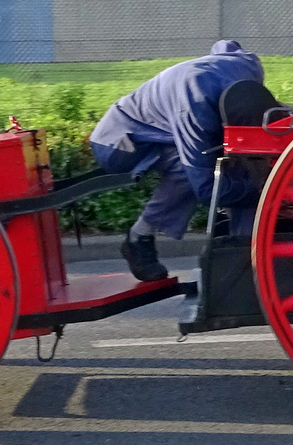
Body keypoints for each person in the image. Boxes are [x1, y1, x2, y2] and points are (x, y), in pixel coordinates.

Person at [89, 40, 266, 282]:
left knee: (229, 159)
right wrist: (262, 189)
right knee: (190, 168)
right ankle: (138, 237)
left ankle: (238, 242)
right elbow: (204, 188)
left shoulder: (248, 65)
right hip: (119, 142)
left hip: (163, 120)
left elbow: (224, 45)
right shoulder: (194, 110)